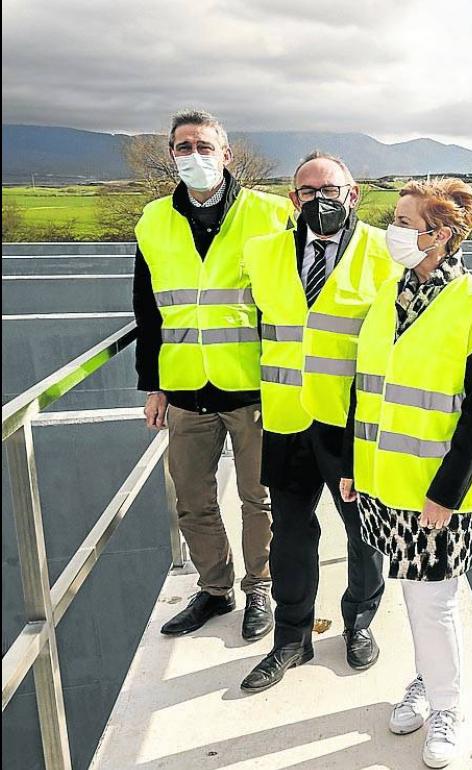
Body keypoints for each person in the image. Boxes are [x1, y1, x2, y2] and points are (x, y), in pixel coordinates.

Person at [339, 178, 472, 768]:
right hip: (382, 479)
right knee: (416, 595)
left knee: (434, 601)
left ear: (439, 234)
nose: (390, 231)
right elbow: (364, 389)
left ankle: (448, 706)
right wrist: (351, 466)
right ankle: (428, 679)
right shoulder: (388, 296)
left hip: (439, 491)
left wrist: (447, 493)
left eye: (401, 220)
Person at [238, 152, 398, 693]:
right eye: (307, 191)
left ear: (352, 194)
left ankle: (358, 622)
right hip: (285, 419)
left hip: (351, 424)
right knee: (289, 532)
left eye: (330, 189)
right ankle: (291, 638)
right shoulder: (263, 254)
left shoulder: (384, 253)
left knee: (363, 531)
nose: (319, 199)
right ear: (293, 199)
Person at [133, 110, 293, 641]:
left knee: (259, 495)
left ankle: (261, 587)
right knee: (192, 497)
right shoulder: (153, 220)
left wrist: (285, 381)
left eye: (204, 146)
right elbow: (147, 309)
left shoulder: (271, 214)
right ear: (171, 155)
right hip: (183, 386)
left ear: (226, 155)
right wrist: (153, 384)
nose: (193, 156)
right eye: (183, 147)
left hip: (252, 384)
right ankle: (215, 589)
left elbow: (288, 305)